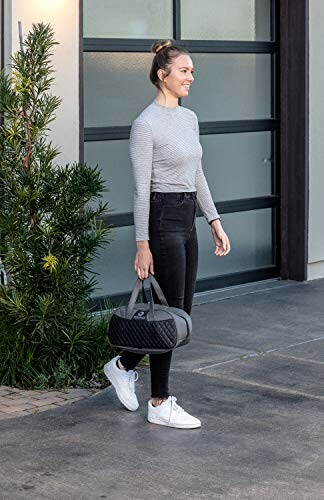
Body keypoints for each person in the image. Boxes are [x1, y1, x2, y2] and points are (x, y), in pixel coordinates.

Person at [103, 39, 231, 429]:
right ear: (163, 75)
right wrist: (142, 245)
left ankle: (123, 365)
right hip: (161, 220)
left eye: (192, 71)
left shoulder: (188, 118)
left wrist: (213, 219)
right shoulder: (145, 125)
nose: (192, 76)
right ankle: (159, 401)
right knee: (169, 313)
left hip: (186, 216)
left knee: (181, 313)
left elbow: (197, 173)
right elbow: (142, 189)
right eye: (184, 71)